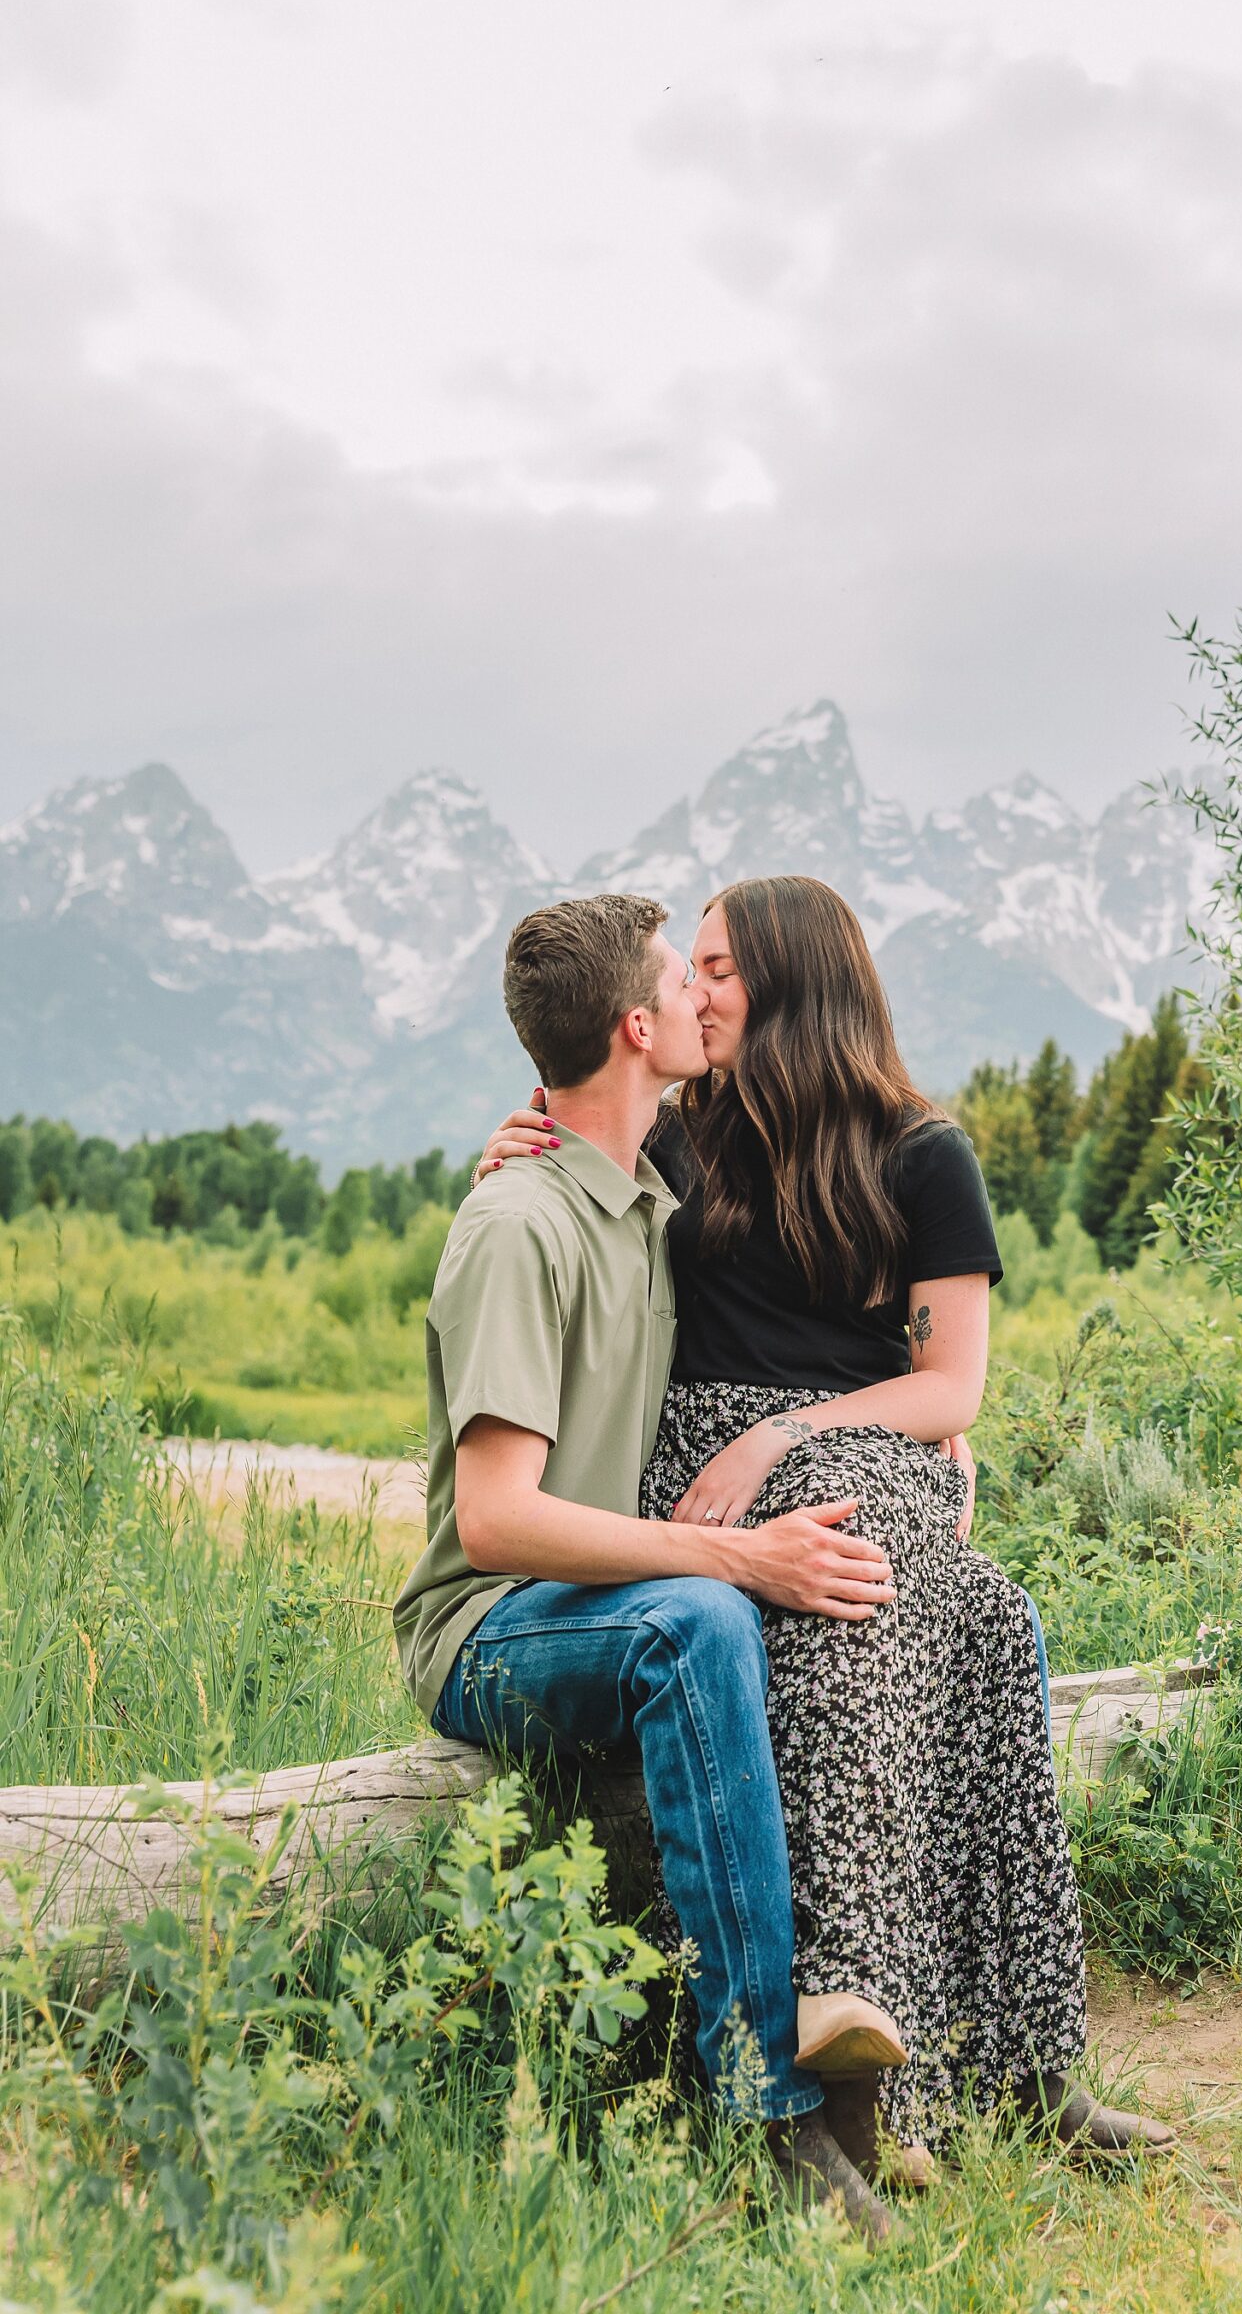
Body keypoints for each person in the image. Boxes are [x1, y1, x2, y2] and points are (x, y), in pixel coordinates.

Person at [475, 874, 1173, 2179]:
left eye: (721, 966)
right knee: (939, 1603)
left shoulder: (923, 1153)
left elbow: (950, 1386)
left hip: (849, 1441)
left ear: (795, 977)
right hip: (699, 1463)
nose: (694, 990)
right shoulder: (684, 1133)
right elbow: (571, 1132)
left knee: (956, 1611)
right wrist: (514, 1139)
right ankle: (866, 2092)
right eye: (687, 969)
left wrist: (793, 1430)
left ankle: (1017, 2067)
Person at [393, 892, 901, 2243]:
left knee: (777, 1609)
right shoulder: (519, 1226)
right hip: (488, 1629)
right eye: (682, 983)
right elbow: (495, 1523)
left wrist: (934, 1424)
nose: (703, 1002)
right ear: (636, 1026)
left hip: (599, 1604)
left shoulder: (647, 1189)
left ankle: (906, 2063)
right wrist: (734, 1557)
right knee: (701, 1618)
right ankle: (763, 2113)